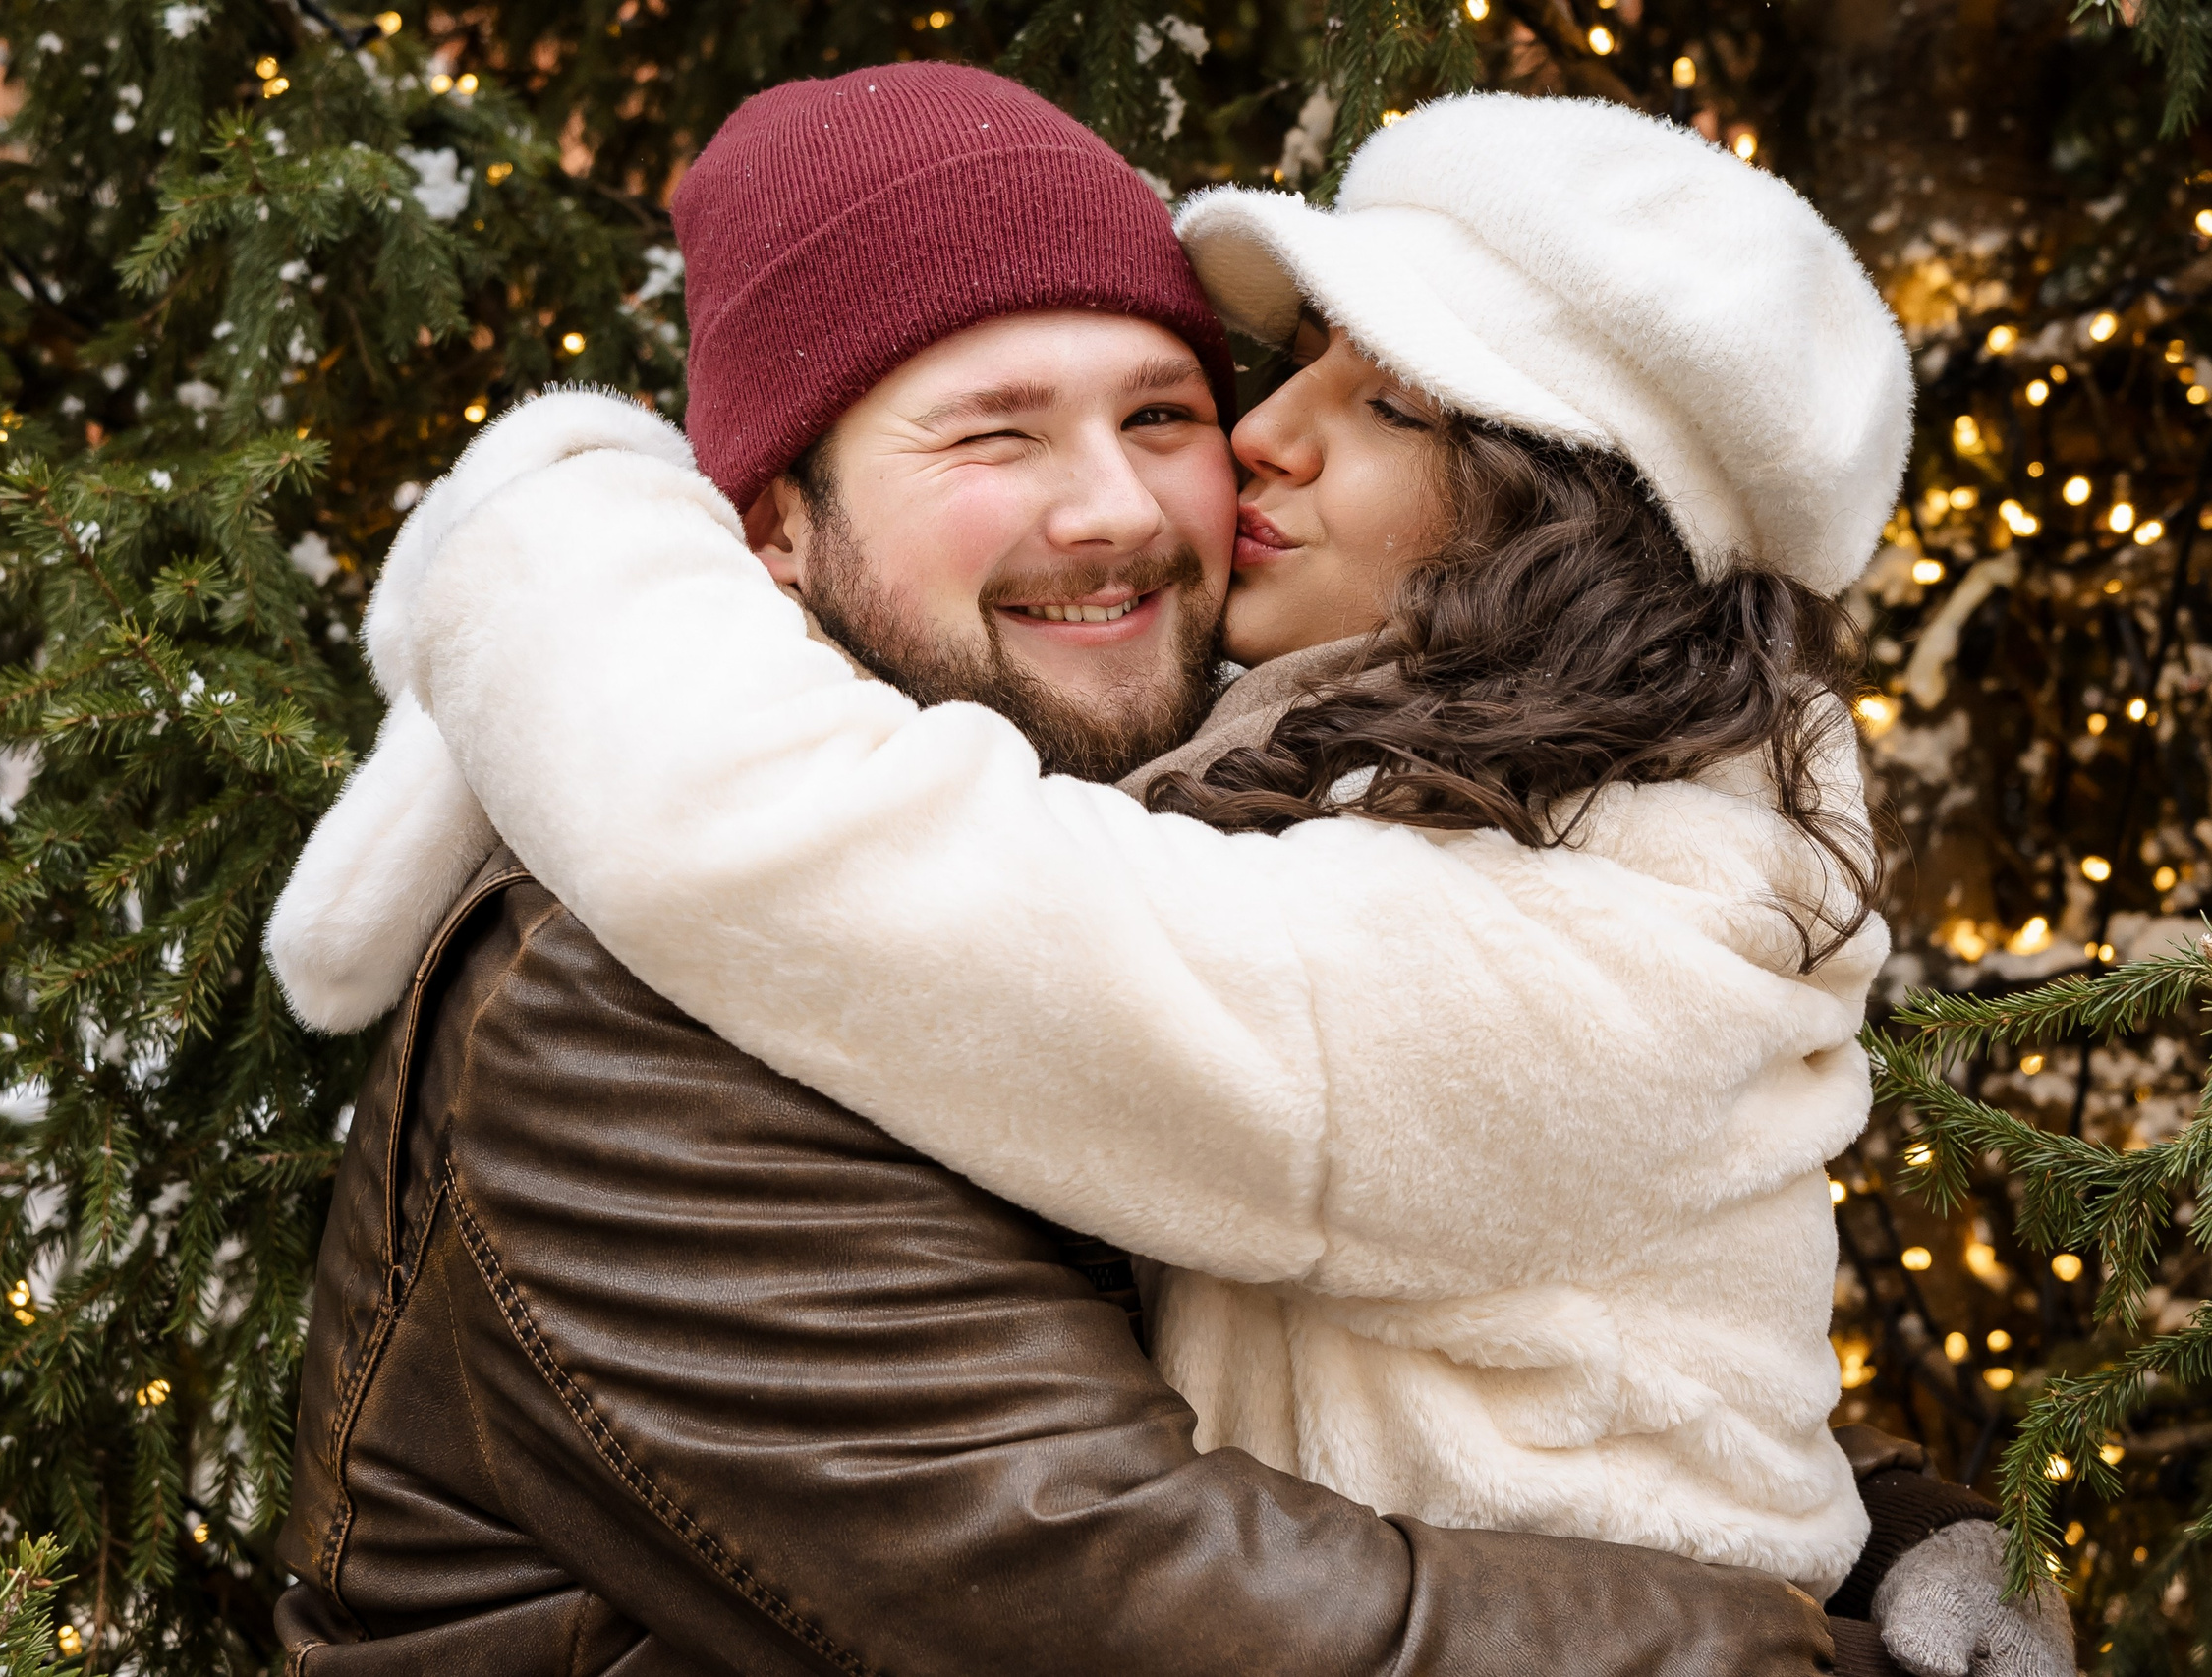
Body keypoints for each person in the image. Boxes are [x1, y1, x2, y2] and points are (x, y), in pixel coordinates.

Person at [269, 66, 2057, 1677]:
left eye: (1163, 411)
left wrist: (1883, 1527)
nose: (1124, 509)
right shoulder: (633, 1011)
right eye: (991, 434)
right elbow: (1127, 1600)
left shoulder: (1346, 818)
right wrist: (1790, 1650)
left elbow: (1544, 1274)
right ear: (769, 533)